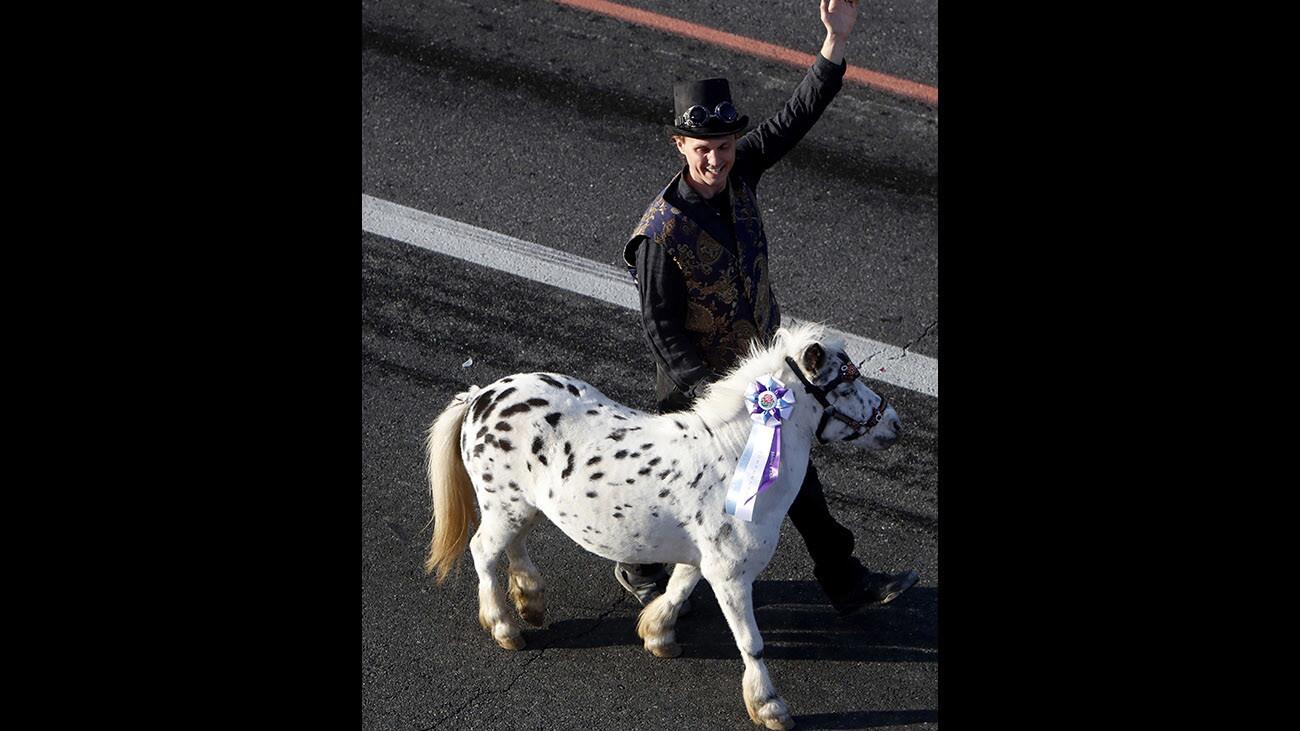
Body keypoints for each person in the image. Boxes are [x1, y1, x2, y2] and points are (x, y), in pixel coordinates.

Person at [615, 0, 918, 618]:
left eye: (723, 146)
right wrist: (717, 396)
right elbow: (660, 329)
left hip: (766, 374)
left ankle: (844, 578)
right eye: (702, 147)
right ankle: (639, 562)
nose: (715, 159)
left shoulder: (743, 171)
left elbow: (793, 118)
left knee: (796, 474)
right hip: (698, 392)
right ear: (680, 144)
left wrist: (834, 45)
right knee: (676, 490)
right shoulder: (660, 233)